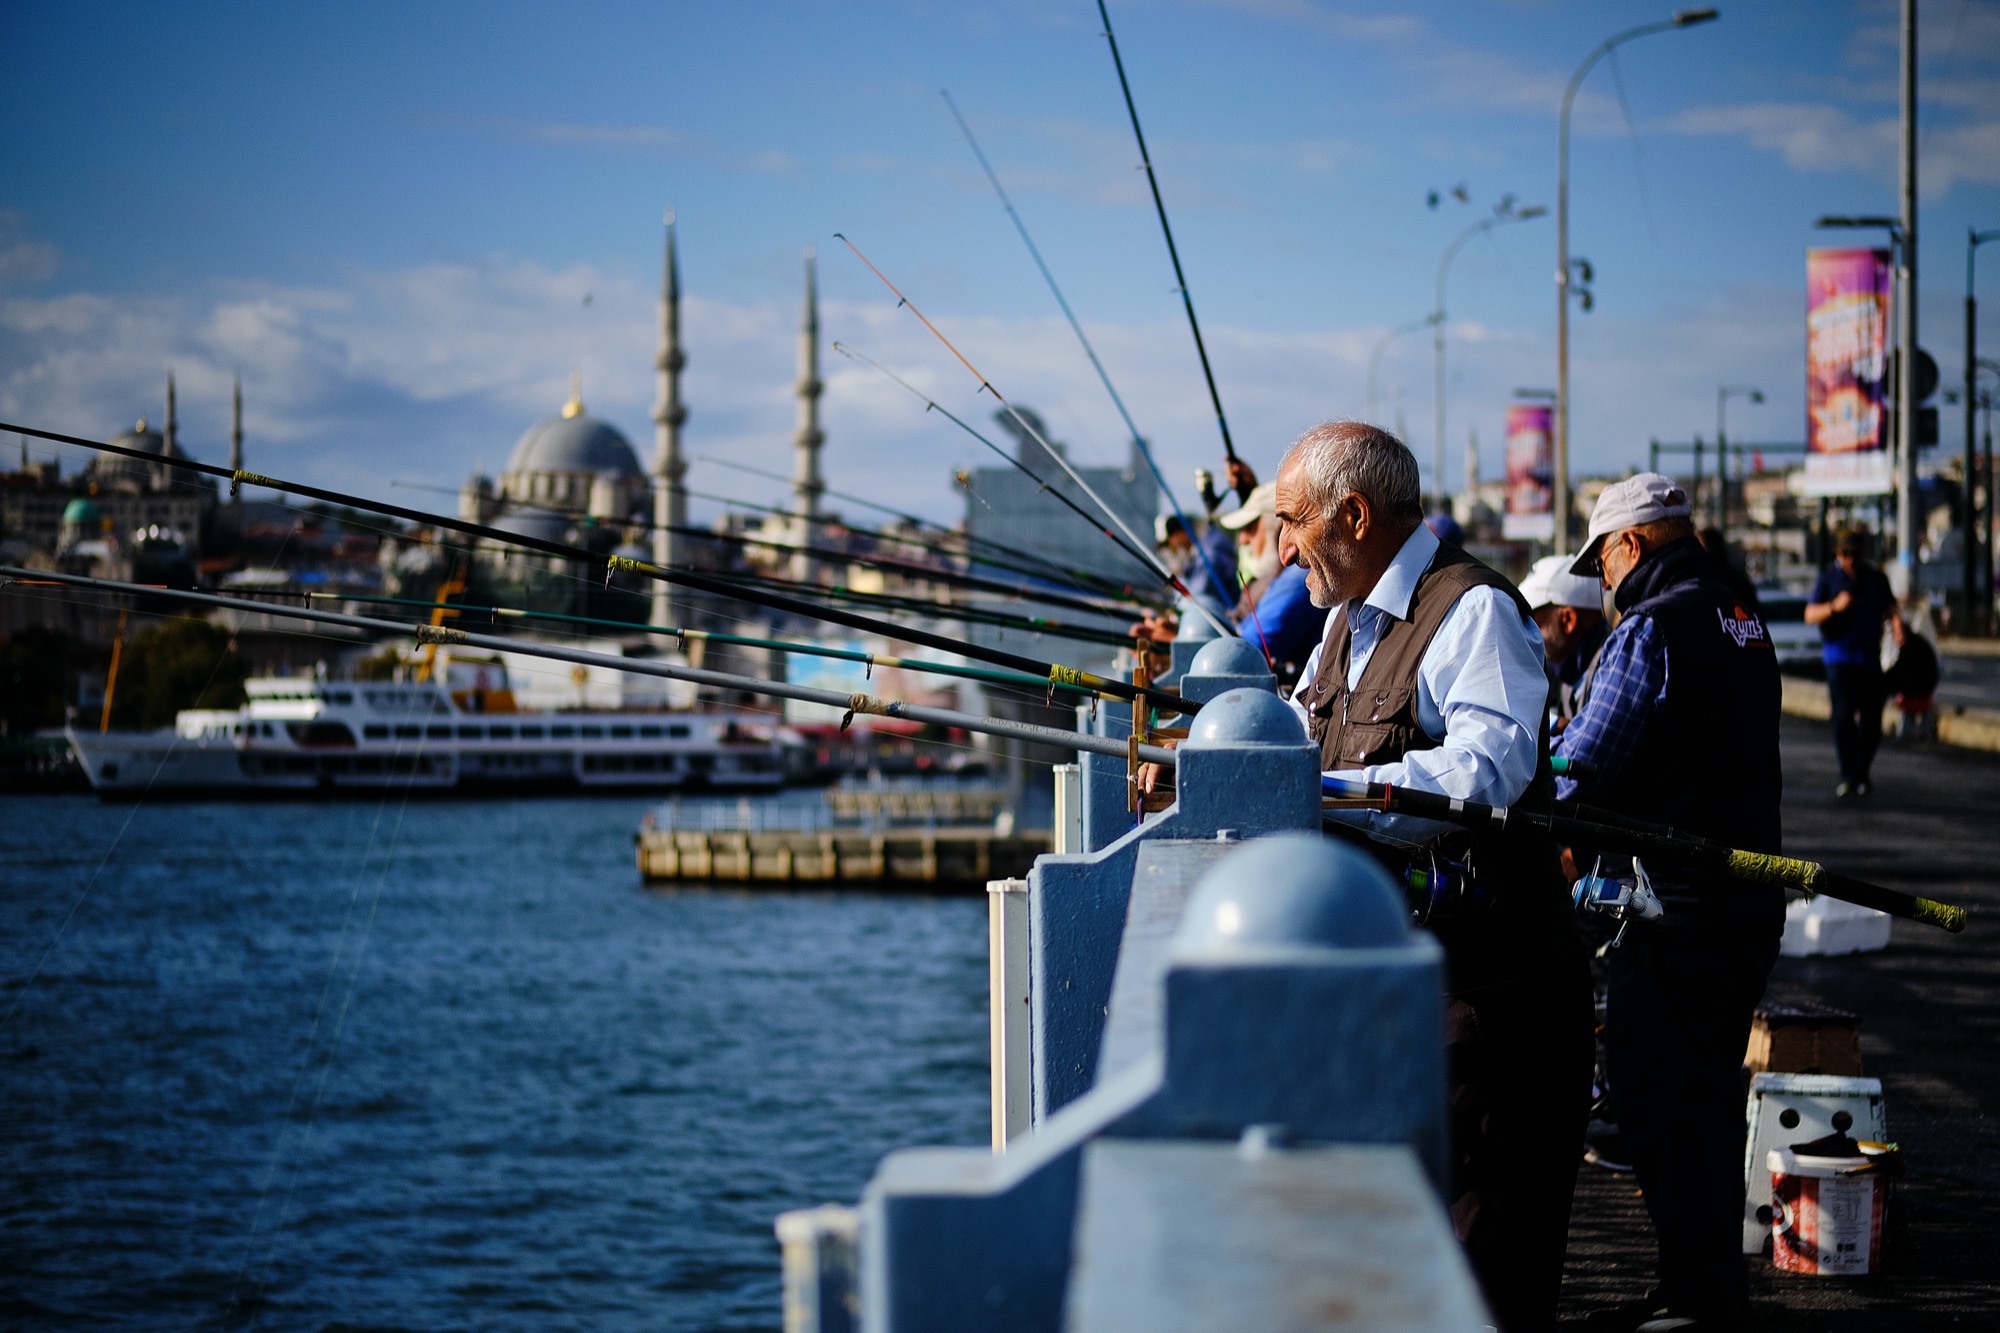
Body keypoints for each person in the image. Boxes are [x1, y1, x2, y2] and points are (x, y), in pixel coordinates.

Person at [1275, 420, 1593, 1332]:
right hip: (1403, 991)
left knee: (1484, 1263)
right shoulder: (1342, 624)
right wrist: (1208, 756)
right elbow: (1297, 735)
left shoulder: (1474, 609)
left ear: (1355, 514)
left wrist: (1334, 792)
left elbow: (1485, 768)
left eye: (1294, 522)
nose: (1284, 546)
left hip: (1495, 1001)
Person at [1555, 473, 1782, 1333]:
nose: (1600, 582)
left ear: (1630, 545)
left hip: (1677, 906)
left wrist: (1531, 788)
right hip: (1746, 902)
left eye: (1601, 560)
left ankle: (1698, 1301)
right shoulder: (1740, 613)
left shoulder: (1653, 626)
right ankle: (1705, 1288)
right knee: (1710, 1095)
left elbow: (1585, 761)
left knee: (1654, 1098)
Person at [1805, 527, 1896, 798]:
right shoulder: (1829, 579)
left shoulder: (1875, 579)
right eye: (1845, 554)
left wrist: (1898, 625)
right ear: (1837, 553)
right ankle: (1849, 774)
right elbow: (1810, 614)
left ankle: (1860, 772)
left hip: (1869, 659)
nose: (1850, 560)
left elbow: (1890, 607)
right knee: (1843, 717)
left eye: (1854, 554)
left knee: (1871, 720)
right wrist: (1834, 606)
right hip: (1839, 659)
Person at [1217, 481, 1328, 683]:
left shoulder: (1298, 579)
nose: (1242, 540)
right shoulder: (1282, 578)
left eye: (1251, 527)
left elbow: (1245, 652)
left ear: (1279, 528)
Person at [1518, 553, 1610, 723]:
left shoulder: (1609, 666)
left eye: (1530, 620)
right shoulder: (1571, 673)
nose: (1523, 630)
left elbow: (1587, 746)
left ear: (1567, 619)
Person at [1155, 513, 1239, 638]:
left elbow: (1198, 595)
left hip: (1226, 627)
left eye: (1169, 544)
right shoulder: (1200, 552)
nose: (1171, 550)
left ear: (1179, 534)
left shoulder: (1210, 552)